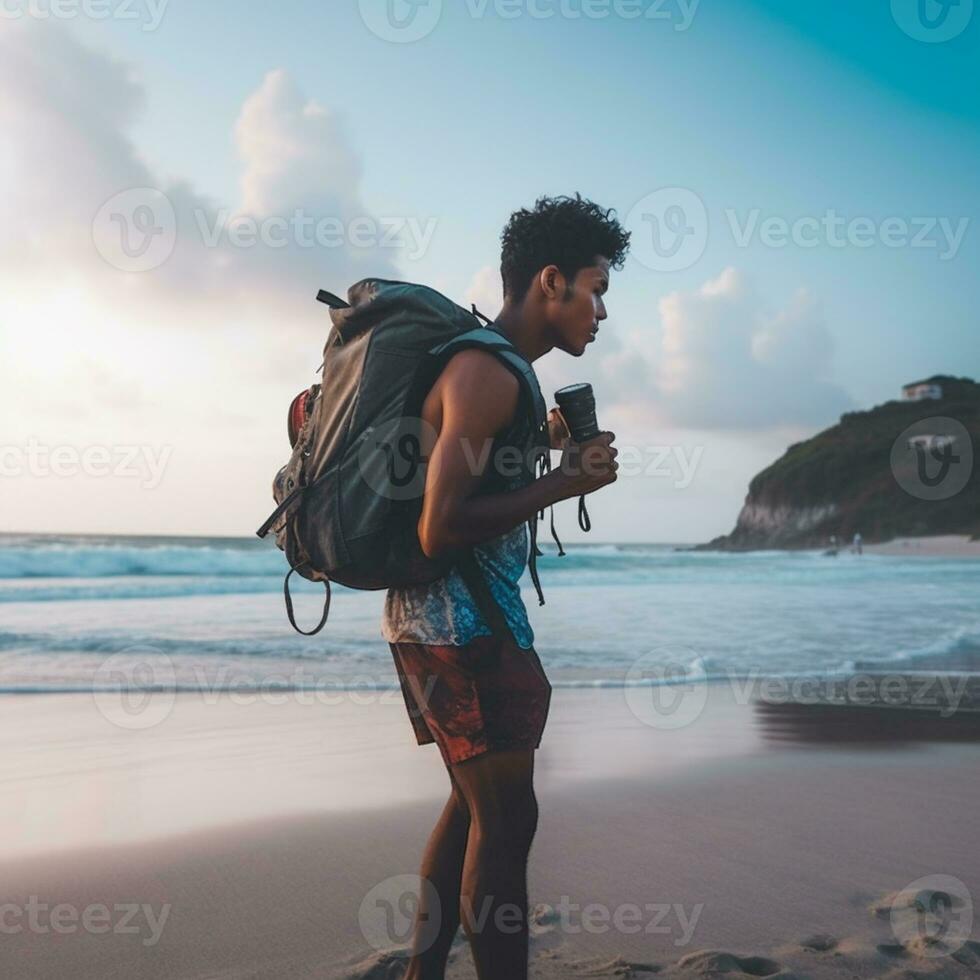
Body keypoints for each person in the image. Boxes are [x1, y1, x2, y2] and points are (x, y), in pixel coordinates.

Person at [381, 194, 630, 979]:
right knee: (508, 822)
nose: (599, 311)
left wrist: (543, 451)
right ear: (550, 282)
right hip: (464, 630)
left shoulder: (499, 371)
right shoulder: (485, 370)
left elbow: (468, 482)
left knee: (470, 813)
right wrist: (559, 485)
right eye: (594, 289)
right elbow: (440, 524)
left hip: (440, 623)